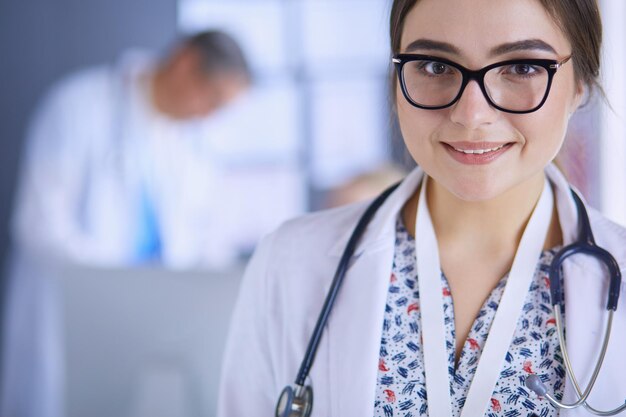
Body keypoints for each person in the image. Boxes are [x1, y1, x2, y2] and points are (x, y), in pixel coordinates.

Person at [218, 1, 626, 416]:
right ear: (396, 78)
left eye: (521, 68)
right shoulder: (289, 263)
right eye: (435, 66)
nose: (471, 115)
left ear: (580, 85)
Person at [11, 30, 251, 269]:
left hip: (152, 301)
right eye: (213, 99)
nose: (210, 115)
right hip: (75, 298)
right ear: (185, 63)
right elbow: (40, 224)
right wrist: (112, 286)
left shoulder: (193, 145)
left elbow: (201, 237)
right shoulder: (78, 106)